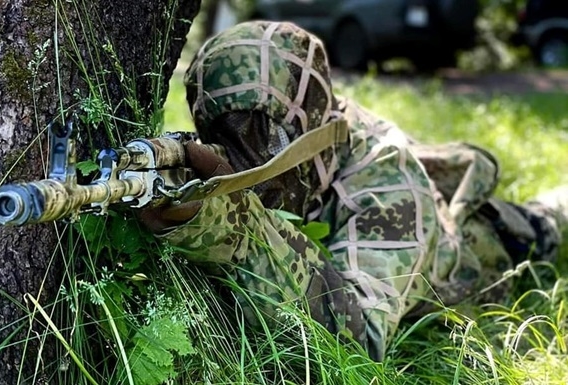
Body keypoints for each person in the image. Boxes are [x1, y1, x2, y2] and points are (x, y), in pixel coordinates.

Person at [140, 21, 567, 361]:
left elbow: (357, 347)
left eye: (268, 138)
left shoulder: (387, 182)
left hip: (483, 248)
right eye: (228, 135)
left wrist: (236, 231)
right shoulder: (307, 117)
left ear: (311, 126)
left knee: (548, 219)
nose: (250, 154)